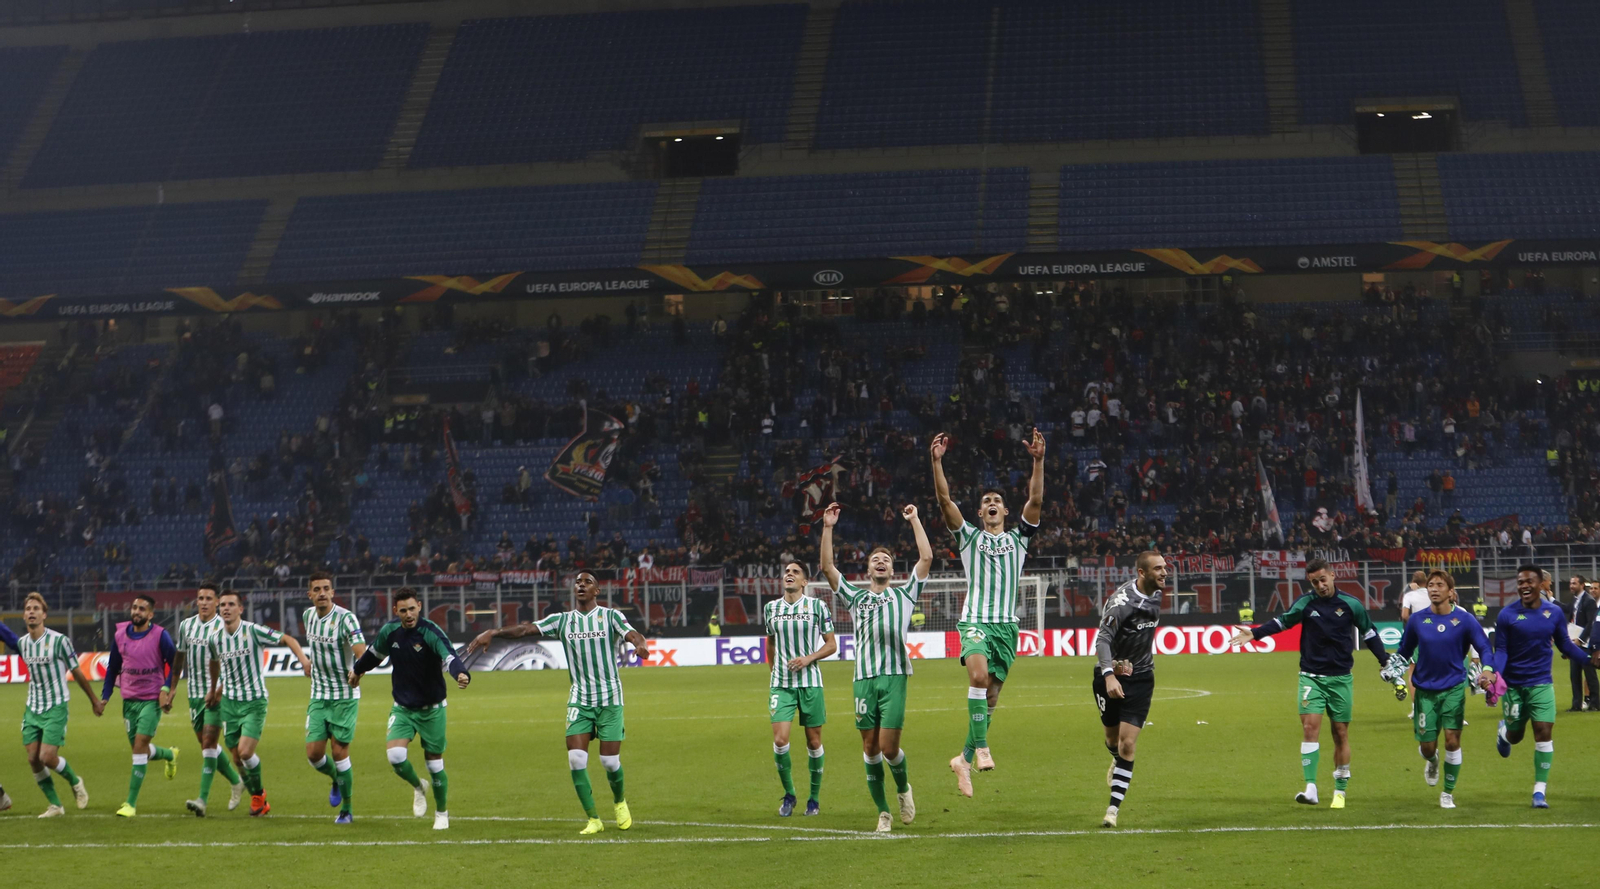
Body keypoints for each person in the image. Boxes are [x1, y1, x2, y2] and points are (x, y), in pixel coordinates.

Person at [466, 572, 649, 836]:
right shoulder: (562, 621)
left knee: (610, 762)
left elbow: (633, 634)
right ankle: (593, 819)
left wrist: (640, 645)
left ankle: (619, 801)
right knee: (576, 759)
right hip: (580, 698)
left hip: (610, 698)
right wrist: (494, 632)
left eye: (587, 582)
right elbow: (526, 629)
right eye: (577, 582)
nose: (581, 585)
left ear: (597, 591)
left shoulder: (610, 617)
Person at [929, 428, 1044, 796]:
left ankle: (962, 759)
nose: (992, 503)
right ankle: (981, 748)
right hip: (975, 620)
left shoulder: (1019, 540)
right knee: (978, 678)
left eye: (997, 499)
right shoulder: (969, 538)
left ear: (1005, 510)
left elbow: (1036, 500)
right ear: (980, 512)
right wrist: (936, 462)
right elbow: (945, 500)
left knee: (991, 697)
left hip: (1006, 628)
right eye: (986, 501)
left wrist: (1038, 461)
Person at [1230, 559, 1389, 809]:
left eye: (1323, 579)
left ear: (1333, 576)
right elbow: (1283, 622)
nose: (1320, 585)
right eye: (1315, 582)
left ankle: (1340, 790)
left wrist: (1384, 660)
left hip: (1340, 679)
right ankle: (1311, 788)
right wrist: (1256, 633)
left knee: (1340, 733)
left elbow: (1369, 632)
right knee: (1309, 727)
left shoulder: (1351, 604)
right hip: (1311, 677)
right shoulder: (1305, 603)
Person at [819, 501, 930, 833]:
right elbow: (827, 566)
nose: (881, 562)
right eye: (875, 560)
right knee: (869, 747)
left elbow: (926, 559)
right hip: (863, 680)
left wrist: (914, 519)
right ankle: (883, 812)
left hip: (895, 676)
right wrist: (828, 527)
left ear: (892, 571)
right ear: (867, 571)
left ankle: (903, 788)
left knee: (889, 748)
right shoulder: (856, 597)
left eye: (887, 560)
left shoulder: (905, 595)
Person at [349, 587, 467, 830]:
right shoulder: (390, 632)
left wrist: (460, 673)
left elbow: (449, 656)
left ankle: (442, 813)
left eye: (412, 608)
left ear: (419, 607)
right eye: (403, 610)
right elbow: (373, 654)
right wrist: (358, 671)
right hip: (403, 708)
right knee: (395, 756)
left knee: (435, 765)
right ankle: (418, 786)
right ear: (396, 611)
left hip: (432, 709)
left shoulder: (430, 632)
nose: (408, 614)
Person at [1383, 571, 1500, 808]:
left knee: (1452, 740)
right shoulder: (1417, 620)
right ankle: (1433, 760)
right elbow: (1405, 652)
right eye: (1431, 585)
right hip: (1425, 690)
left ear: (1450, 592)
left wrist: (1487, 669)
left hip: (1454, 688)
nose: (1434, 589)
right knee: (1427, 747)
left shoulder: (1465, 619)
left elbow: (1485, 647)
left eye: (1440, 585)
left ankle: (1448, 792)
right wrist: (1393, 667)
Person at [205, 589, 310, 817]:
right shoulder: (215, 638)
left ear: (240, 609)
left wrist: (303, 660)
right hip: (230, 704)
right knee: (236, 757)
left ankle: (257, 794)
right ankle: (259, 798)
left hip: (254, 702)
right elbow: (215, 663)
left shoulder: (252, 631)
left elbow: (288, 638)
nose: (226, 608)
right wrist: (214, 690)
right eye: (222, 604)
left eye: (231, 604)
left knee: (244, 752)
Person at [1493, 565, 1591, 808]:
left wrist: (1588, 660)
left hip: (1542, 684)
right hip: (1514, 685)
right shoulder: (1507, 615)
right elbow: (1502, 650)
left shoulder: (1554, 613)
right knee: (1516, 736)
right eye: (1520, 582)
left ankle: (1539, 792)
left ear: (1541, 585)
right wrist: (1495, 673)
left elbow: (1564, 645)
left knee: (1544, 733)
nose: (1524, 585)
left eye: (1529, 581)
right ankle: (1504, 733)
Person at [2, 593, 100, 816]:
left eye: (36, 608)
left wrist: (94, 700)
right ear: (24, 615)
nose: (31, 612)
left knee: (47, 757)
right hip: (33, 707)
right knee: (33, 759)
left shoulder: (59, 641)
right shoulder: (23, 644)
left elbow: (78, 672)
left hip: (56, 705)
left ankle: (76, 782)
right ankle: (55, 805)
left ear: (44, 614)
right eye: (28, 609)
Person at [1095, 552, 1166, 828]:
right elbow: (1103, 639)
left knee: (1127, 743)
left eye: (1164, 568)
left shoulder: (1156, 592)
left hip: (1142, 678)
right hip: (1109, 676)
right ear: (1142, 572)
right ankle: (1116, 760)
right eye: (1158, 569)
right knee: (1112, 740)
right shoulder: (1121, 603)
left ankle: (1112, 810)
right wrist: (1110, 674)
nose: (1164, 573)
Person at [763, 560, 837, 817]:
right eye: (786, 571)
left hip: (810, 683)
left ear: (805, 581)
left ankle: (814, 799)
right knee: (780, 740)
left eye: (795, 572)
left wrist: (808, 658)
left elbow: (831, 645)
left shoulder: (817, 606)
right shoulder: (771, 608)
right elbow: (770, 643)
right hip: (781, 685)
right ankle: (790, 795)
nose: (789, 574)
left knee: (814, 741)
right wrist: (774, 671)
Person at [99, 593, 178, 817]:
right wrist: (105, 697)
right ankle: (169, 755)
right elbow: (113, 667)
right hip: (129, 700)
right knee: (139, 750)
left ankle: (130, 803)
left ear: (151, 614)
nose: (136, 612)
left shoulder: (161, 636)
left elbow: (176, 664)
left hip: (151, 700)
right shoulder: (120, 635)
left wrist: (166, 689)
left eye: (142, 609)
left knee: (140, 746)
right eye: (134, 607)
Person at [173, 582, 245, 816]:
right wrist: (171, 688)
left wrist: (220, 689)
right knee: (208, 747)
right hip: (193, 695)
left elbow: (233, 663)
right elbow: (179, 659)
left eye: (208, 598)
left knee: (208, 745)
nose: (203, 602)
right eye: (200, 598)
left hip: (216, 695)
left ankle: (202, 799)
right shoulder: (186, 626)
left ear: (216, 602)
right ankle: (236, 781)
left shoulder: (223, 628)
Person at [302, 571, 366, 823]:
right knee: (314, 754)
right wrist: (308, 663)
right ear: (310, 595)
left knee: (339, 753)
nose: (321, 593)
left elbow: (361, 652)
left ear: (332, 592)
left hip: (344, 696)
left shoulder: (346, 619)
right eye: (316, 589)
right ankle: (335, 780)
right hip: (318, 694)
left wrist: (357, 672)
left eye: (325, 588)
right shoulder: (308, 616)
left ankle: (347, 810)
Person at [1398, 570, 1431, 711]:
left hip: (1417, 636)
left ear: (1413, 582)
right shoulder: (1432, 593)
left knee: (1412, 671)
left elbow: (1405, 615)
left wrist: (1415, 623)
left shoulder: (1409, 595)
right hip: (1434, 634)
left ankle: (1416, 707)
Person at [1566, 574, 1598, 711]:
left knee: (1590, 675)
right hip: (1575, 644)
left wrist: (1580, 640)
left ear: (1582, 585)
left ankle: (1596, 704)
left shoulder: (1588, 601)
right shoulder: (1575, 600)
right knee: (1574, 675)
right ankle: (1576, 704)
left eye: (1574, 583)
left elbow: (1591, 624)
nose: (1571, 586)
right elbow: (1569, 614)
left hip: (1585, 645)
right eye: (1571, 583)